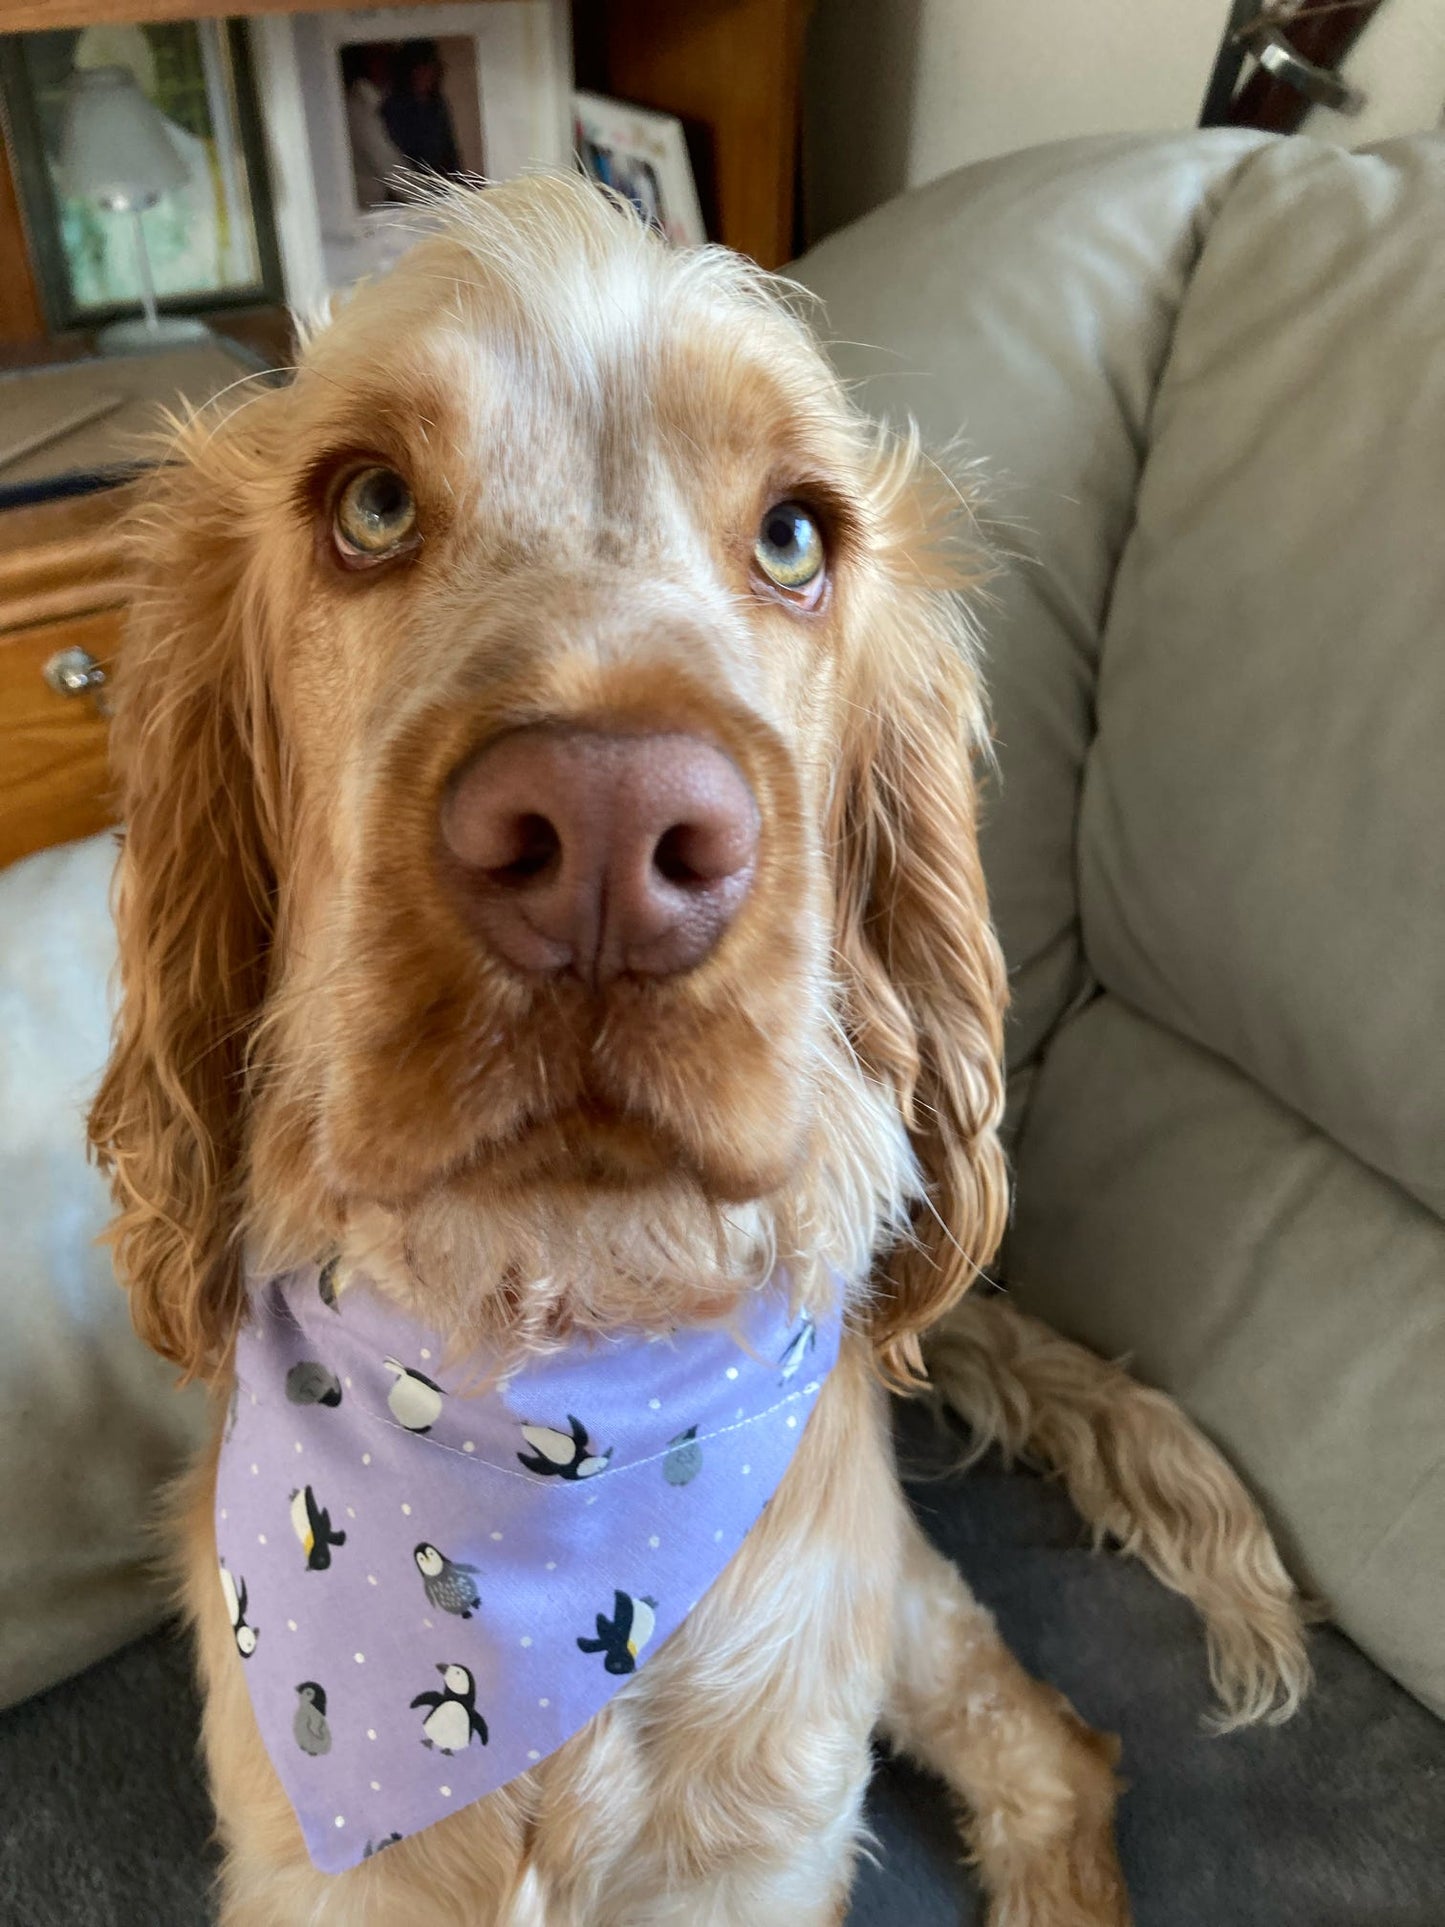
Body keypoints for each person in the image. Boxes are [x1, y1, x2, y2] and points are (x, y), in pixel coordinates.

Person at [382, 40, 463, 179]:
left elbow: (450, 149)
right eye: (420, 68)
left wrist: (459, 182)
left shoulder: (437, 103)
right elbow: (395, 156)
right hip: (411, 183)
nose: (425, 74)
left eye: (430, 68)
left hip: (442, 182)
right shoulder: (394, 105)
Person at [343, 44, 407, 209]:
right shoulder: (358, 107)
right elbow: (386, 162)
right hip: (366, 204)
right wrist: (430, 201)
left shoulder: (373, 104)